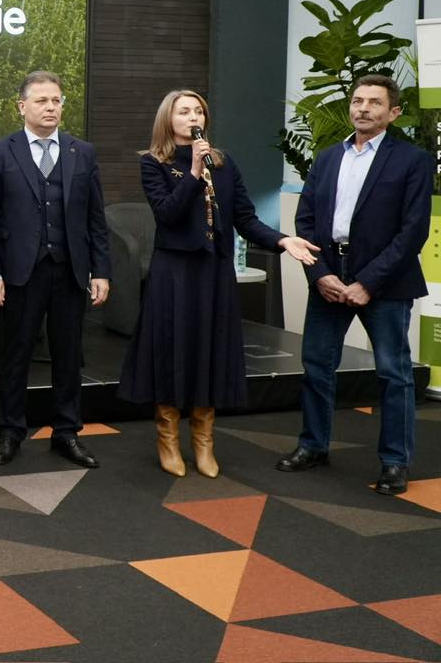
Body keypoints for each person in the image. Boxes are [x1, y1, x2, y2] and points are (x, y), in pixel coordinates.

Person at [119, 90, 318, 478]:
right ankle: (168, 437)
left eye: (199, 111)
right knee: (172, 349)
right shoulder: (154, 163)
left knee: (210, 350)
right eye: (184, 111)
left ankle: (204, 439)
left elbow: (246, 218)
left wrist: (282, 240)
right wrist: (194, 172)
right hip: (174, 272)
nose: (193, 117)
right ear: (168, 119)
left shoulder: (224, 164)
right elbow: (167, 214)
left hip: (214, 272)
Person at [278, 74, 432, 496]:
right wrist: (320, 274)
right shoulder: (328, 157)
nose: (363, 108)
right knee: (316, 367)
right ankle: (313, 446)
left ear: (393, 112)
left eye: (374, 102)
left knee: (394, 374)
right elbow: (306, 219)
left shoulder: (412, 160)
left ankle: (395, 462)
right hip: (330, 274)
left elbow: (413, 232)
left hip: (385, 282)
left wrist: (368, 282)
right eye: (358, 101)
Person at [0, 70, 111, 469]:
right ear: (22, 106)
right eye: (41, 101)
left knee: (68, 355)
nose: (51, 107)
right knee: (16, 354)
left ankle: (67, 432)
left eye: (56, 101)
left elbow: (96, 218)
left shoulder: (82, 152)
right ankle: (10, 432)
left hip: (70, 270)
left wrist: (101, 271)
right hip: (20, 270)